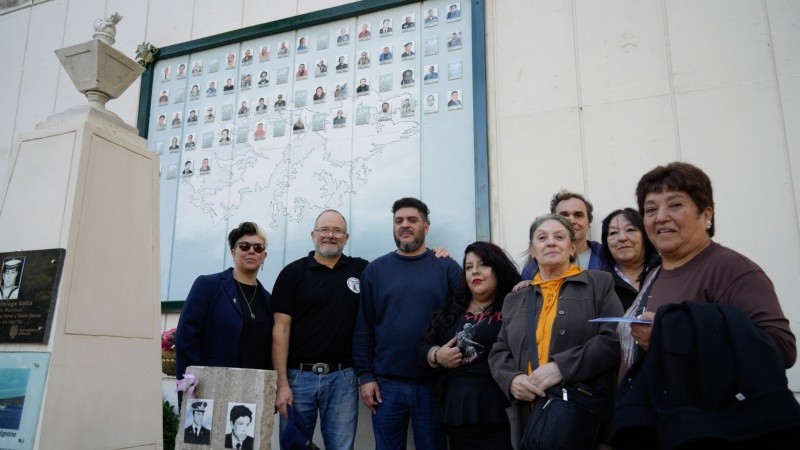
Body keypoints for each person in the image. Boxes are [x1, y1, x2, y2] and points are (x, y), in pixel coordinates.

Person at [612, 162, 798, 447]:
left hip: (708, 430)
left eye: (675, 205)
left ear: (707, 214)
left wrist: (670, 333)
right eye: (650, 210)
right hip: (660, 428)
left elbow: (780, 348)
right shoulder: (655, 273)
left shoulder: (730, 268)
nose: (660, 217)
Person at [488, 214, 623, 449]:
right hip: (529, 415)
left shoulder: (600, 283)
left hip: (582, 418)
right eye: (542, 238)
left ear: (572, 248)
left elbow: (614, 338)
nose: (551, 242)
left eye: (559, 237)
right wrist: (512, 380)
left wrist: (562, 367)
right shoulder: (515, 298)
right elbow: (499, 351)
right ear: (532, 250)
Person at [353, 197, 462, 450]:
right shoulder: (375, 271)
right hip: (385, 386)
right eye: (398, 221)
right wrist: (365, 377)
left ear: (426, 226)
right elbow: (364, 327)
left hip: (434, 385)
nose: (405, 225)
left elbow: (467, 316)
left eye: (412, 220)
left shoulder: (446, 267)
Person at [272, 210, 369, 450]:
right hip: (297, 379)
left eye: (337, 231)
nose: (330, 235)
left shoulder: (362, 271)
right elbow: (280, 331)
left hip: (343, 379)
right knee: (295, 447)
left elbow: (396, 270)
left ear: (346, 237)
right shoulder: (291, 274)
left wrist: (433, 254)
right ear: (313, 235)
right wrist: (282, 383)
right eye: (324, 230)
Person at [420, 242, 521, 449]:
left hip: (498, 412)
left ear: (498, 269)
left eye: (483, 264)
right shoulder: (453, 306)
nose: (475, 271)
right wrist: (437, 355)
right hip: (456, 412)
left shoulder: (514, 302)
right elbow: (422, 346)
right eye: (468, 267)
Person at [175, 222, 274, 408]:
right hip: (209, 390)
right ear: (233, 252)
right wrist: (191, 382)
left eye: (258, 247)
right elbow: (186, 338)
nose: (251, 251)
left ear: (264, 256)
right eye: (244, 246)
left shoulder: (269, 301)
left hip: (252, 393)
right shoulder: (208, 286)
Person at [521, 190, 608, 279]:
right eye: (564, 215)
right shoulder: (530, 270)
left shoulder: (608, 256)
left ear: (589, 223)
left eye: (578, 215)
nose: (572, 221)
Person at [598, 208, 660, 311]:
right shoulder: (600, 283)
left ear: (646, 236)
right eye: (613, 233)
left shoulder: (667, 272)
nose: (622, 238)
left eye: (630, 230)